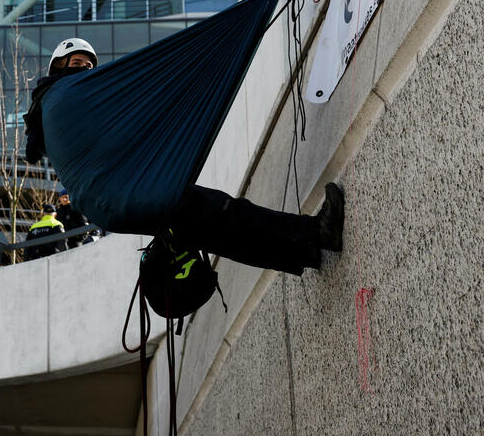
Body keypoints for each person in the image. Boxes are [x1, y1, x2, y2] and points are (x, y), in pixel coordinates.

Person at [24, 37, 345, 276]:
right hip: (127, 194)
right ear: (58, 69)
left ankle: (303, 254)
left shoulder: (51, 111)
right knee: (227, 212)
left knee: (216, 235)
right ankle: (316, 231)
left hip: (113, 204)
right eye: (78, 65)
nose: (87, 72)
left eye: (90, 67)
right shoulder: (63, 97)